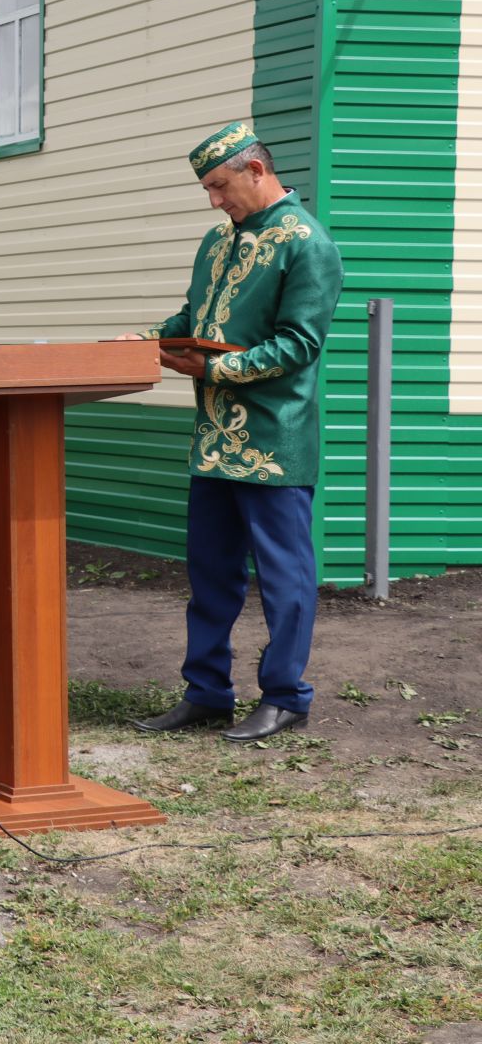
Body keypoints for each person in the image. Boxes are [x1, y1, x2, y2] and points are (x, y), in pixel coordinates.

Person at [125, 122, 343, 743]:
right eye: (207, 189)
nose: (214, 200)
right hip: (214, 440)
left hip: (275, 442)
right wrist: (143, 340)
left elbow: (301, 344)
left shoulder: (307, 243)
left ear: (256, 170)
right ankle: (207, 693)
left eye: (220, 186)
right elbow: (193, 318)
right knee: (210, 573)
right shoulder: (216, 244)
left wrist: (215, 367)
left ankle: (286, 696)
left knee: (285, 579)